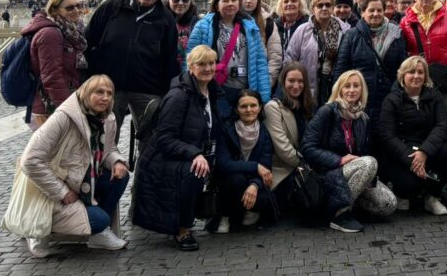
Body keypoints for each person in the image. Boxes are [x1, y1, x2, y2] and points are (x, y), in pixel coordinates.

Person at [14, 75, 129, 257]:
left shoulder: (108, 118)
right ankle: (36, 228)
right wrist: (61, 191)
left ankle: (98, 234)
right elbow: (30, 160)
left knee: (120, 177)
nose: (105, 98)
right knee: (99, 219)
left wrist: (117, 161)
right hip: (52, 192)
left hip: (83, 183)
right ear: (86, 93)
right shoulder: (63, 118)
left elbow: (109, 148)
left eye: (109, 93)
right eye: (99, 92)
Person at [133, 45, 220, 251]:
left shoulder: (211, 90)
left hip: (190, 152)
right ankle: (183, 230)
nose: (207, 68)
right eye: (201, 64)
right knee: (195, 172)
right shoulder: (178, 96)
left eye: (211, 63)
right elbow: (165, 138)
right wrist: (195, 154)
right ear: (190, 68)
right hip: (162, 159)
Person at [85, 0, 178, 140]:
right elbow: (88, 40)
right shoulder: (112, 7)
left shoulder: (166, 19)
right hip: (109, 86)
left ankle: (144, 168)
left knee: (151, 138)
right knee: (105, 137)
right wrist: (90, 77)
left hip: (148, 88)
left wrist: (167, 91)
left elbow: (170, 57)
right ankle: (106, 167)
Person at [302, 70, 398, 232]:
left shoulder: (362, 118)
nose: (352, 90)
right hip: (328, 173)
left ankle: (352, 206)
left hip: (352, 172)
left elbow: (363, 151)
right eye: (347, 86)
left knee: (388, 204)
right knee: (369, 162)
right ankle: (338, 214)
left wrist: (367, 177)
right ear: (339, 89)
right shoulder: (327, 112)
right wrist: (338, 160)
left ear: (362, 90)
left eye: (356, 86)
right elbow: (307, 148)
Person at [378, 56, 447, 215]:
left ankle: (432, 197)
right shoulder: (391, 100)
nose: (416, 76)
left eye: (420, 72)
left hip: (427, 147)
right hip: (402, 151)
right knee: (409, 184)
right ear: (402, 76)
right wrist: (412, 159)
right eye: (411, 72)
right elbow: (388, 135)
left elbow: (442, 125)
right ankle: (403, 194)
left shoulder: (435, 96)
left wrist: (424, 152)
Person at [186, 0, 272, 119]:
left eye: (234, 0)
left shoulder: (250, 27)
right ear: (217, 4)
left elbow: (260, 62)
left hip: (245, 88)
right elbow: (190, 59)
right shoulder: (203, 26)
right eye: (225, 0)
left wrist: (264, 96)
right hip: (216, 87)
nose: (230, 3)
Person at [332, 0, 408, 129]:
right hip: (359, 98)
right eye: (371, 10)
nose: (375, 14)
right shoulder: (351, 35)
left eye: (379, 10)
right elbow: (341, 68)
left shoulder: (396, 34)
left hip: (388, 97)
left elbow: (402, 69)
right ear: (362, 12)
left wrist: (397, 94)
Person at [210, 90, 275, 233]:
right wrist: (256, 166)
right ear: (236, 109)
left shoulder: (264, 133)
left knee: (264, 196)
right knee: (236, 179)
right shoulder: (226, 129)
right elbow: (224, 164)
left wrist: (255, 185)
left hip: (252, 180)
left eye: (253, 105)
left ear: (260, 108)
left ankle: (249, 211)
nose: (249, 110)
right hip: (228, 182)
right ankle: (225, 216)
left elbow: (266, 167)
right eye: (244, 106)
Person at [22, 0, 88, 129]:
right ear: (54, 10)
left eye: (79, 5)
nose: (76, 10)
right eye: (70, 8)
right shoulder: (50, 34)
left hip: (64, 100)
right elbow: (52, 78)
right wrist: (69, 110)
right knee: (55, 150)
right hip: (50, 106)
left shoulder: (72, 31)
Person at [263, 63, 318, 217]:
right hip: (284, 170)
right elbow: (283, 148)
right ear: (283, 82)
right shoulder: (273, 107)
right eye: (291, 81)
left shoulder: (309, 106)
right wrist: (306, 165)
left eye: (300, 81)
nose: (296, 85)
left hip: (304, 166)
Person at [285, 0, 352, 105]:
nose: (324, 8)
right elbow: (290, 59)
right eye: (320, 5)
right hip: (307, 84)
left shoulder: (345, 31)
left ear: (332, 8)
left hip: (334, 83)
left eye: (328, 5)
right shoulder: (303, 30)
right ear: (313, 9)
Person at [240, 0, 282, 87]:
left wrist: (267, 82)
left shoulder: (267, 22)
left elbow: (275, 56)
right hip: (233, 81)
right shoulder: (230, 20)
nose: (249, 1)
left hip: (259, 79)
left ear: (258, 1)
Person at [268, 0, 308, 82]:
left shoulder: (308, 26)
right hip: (277, 77)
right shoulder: (273, 26)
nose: (290, 4)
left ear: (300, 5)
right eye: (286, 1)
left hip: (300, 76)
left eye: (294, 1)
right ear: (281, 5)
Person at [166, 0, 200, 71]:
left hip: (190, 73)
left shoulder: (198, 24)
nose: (180, 3)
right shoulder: (161, 22)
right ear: (168, 0)